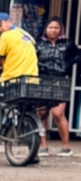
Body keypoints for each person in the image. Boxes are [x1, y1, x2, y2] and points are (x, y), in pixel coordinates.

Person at [36, 16, 77, 156]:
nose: (53, 30)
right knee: (41, 113)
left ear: (61, 30)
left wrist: (68, 64)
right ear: (46, 29)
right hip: (42, 80)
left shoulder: (67, 44)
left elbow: (78, 55)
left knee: (58, 113)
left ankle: (66, 147)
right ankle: (43, 146)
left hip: (61, 81)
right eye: (50, 27)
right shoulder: (38, 44)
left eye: (56, 28)